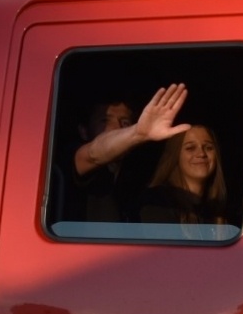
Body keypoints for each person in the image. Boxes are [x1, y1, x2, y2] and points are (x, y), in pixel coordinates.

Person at [64, 84, 190, 222]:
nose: (117, 128)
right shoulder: (74, 160)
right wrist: (138, 133)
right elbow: (94, 153)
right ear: (84, 131)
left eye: (124, 122)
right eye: (105, 120)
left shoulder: (136, 178)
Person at [138, 124, 229, 225]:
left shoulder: (218, 208)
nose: (201, 154)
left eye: (208, 148)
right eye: (190, 148)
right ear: (175, 156)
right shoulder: (157, 201)